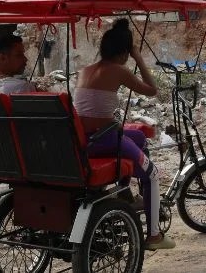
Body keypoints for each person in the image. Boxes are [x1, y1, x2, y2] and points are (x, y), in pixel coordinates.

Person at [75, 18, 175, 250]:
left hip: (84, 139)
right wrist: (138, 57)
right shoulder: (119, 70)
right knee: (152, 174)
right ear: (124, 52)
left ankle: (126, 193)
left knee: (139, 138)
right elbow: (152, 90)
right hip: (104, 139)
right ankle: (154, 236)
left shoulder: (86, 70)